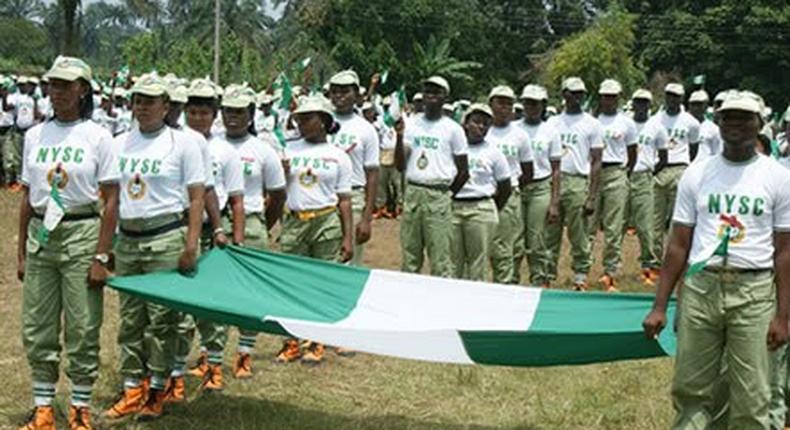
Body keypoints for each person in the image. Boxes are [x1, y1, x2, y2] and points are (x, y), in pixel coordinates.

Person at [643, 91, 790, 429]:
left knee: (752, 397)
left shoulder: (778, 177)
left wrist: (783, 315)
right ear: (718, 122)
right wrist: (660, 305)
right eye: (728, 117)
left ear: (760, 123)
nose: (735, 123)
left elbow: (784, 252)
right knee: (691, 391)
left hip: (753, 293)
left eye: (744, 117)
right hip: (701, 288)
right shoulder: (696, 174)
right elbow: (679, 245)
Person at [17, 56, 119, 430]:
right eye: (53, 84)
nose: (57, 91)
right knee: (37, 325)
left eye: (66, 85)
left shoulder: (98, 137)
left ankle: (79, 407)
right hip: (42, 236)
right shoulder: (34, 136)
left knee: (82, 325)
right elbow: (28, 197)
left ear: (83, 89)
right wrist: (21, 254)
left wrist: (101, 256)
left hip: (81, 233)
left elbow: (111, 201)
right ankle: (44, 407)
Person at [103, 73, 205, 422]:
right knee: (130, 318)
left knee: (162, 320)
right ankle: (133, 387)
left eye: (151, 101)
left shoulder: (183, 144)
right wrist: (111, 242)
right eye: (138, 101)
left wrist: (191, 244)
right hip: (129, 239)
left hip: (165, 237)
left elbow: (195, 199)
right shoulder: (118, 143)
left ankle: (157, 389)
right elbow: (112, 199)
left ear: (166, 106)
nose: (143, 107)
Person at [274, 95, 353, 365]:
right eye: (299, 119)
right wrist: (282, 174)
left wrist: (348, 237)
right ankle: (290, 342)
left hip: (326, 221)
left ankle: (317, 342)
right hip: (294, 221)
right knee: (290, 283)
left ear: (324, 122)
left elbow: (344, 200)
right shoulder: (290, 151)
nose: (302, 123)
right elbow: (278, 191)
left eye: (308, 119)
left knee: (322, 283)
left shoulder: (338, 157)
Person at [179, 78, 245, 392]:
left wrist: (222, 229)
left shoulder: (224, 151)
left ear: (214, 115)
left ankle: (214, 364)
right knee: (179, 307)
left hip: (209, 232)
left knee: (211, 302)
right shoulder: (175, 142)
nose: (197, 118)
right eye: (192, 112)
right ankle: (175, 374)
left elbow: (227, 195)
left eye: (204, 113)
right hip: (178, 228)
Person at [216, 84, 286, 376]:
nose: (233, 117)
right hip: (219, 223)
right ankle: (213, 355)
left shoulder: (263, 150)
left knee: (249, 292)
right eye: (228, 111)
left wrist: (262, 226)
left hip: (253, 222)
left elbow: (278, 193)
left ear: (251, 114)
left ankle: (244, 352)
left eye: (239, 112)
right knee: (217, 291)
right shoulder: (212, 145)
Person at [395, 76, 469, 277]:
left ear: (445, 97)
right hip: (413, 191)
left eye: (436, 92)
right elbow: (400, 165)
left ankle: (439, 303)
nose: (431, 96)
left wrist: (447, 195)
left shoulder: (454, 129)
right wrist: (399, 137)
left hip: (439, 193)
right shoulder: (411, 123)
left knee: (440, 259)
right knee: (410, 256)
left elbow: (464, 171)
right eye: (427, 92)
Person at [544, 77, 603, 290]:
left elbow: (596, 161)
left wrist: (591, 196)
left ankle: (580, 276)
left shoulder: (592, 124)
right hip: (553, 180)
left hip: (578, 181)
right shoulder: (551, 123)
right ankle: (546, 276)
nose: (578, 98)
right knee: (549, 233)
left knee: (578, 233)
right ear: (564, 95)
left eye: (581, 94)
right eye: (573, 93)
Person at [452, 103, 511, 280]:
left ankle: (476, 304)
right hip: (453, 207)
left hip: (480, 208)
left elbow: (505, 187)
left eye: (486, 124)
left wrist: (491, 207)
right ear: (466, 123)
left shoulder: (494, 152)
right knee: (453, 262)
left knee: (479, 263)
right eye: (477, 122)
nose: (481, 127)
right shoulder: (454, 148)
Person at [588, 79, 637, 291]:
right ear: (600, 97)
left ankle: (610, 272)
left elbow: (633, 153)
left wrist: (624, 172)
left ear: (618, 98)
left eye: (613, 96)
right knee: (588, 225)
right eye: (605, 96)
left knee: (613, 226)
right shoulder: (591, 121)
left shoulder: (626, 123)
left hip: (616, 172)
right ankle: (583, 271)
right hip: (592, 174)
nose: (609, 100)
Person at [328, 70, 380, 266]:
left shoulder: (366, 129)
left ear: (357, 94)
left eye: (345, 91)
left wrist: (367, 217)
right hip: (323, 197)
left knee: (348, 260)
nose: (339, 96)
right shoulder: (320, 122)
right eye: (335, 91)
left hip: (354, 198)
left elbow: (373, 174)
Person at [485, 85, 533, 284]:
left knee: (505, 246)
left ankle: (504, 285)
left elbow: (528, 171)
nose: (504, 108)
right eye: (500, 102)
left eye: (508, 103)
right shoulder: (480, 129)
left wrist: (510, 186)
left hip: (508, 197)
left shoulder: (520, 135)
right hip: (481, 196)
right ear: (491, 104)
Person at [651, 83, 701, 266]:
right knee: (655, 220)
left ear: (682, 98)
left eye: (676, 96)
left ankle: (672, 261)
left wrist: (685, 169)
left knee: (676, 220)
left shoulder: (691, 122)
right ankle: (654, 261)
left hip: (680, 169)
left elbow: (693, 151)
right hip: (658, 169)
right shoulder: (655, 119)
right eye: (670, 95)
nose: (672, 99)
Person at [517, 84, 561, 288]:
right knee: (514, 240)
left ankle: (539, 281)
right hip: (517, 188)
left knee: (536, 240)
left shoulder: (550, 131)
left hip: (540, 187)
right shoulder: (514, 128)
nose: (531, 107)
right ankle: (511, 281)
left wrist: (554, 202)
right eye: (527, 102)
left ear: (543, 105)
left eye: (535, 103)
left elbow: (556, 169)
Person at [625, 89, 667, 286]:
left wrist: (650, 172)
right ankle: (609, 271)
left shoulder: (656, 126)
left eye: (644, 102)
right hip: (623, 175)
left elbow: (664, 157)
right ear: (632, 103)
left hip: (643, 176)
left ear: (649, 105)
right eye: (637, 102)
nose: (640, 106)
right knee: (616, 225)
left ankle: (648, 267)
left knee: (645, 225)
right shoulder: (625, 123)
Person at [4, 76, 43, 191]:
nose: (25, 87)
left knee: (30, 156)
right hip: (19, 130)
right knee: (18, 156)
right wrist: (4, 94)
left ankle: (30, 180)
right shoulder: (19, 98)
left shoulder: (36, 99)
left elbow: (37, 115)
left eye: (26, 85)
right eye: (21, 85)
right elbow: (8, 109)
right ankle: (19, 180)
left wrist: (35, 101)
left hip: (31, 131)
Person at [688, 90, 722, 163]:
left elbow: (717, 153)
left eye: (699, 104)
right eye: (693, 104)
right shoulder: (681, 125)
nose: (696, 108)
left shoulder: (714, 129)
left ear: (706, 106)